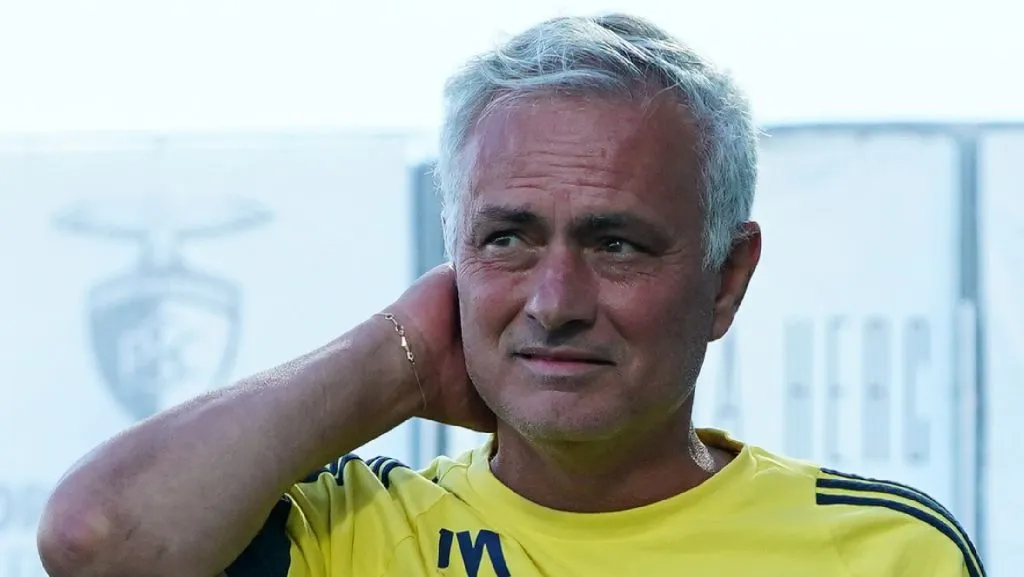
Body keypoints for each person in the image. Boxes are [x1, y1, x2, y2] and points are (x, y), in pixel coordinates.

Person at [37, 13, 983, 577]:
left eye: (616, 244)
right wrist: (398, 358)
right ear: (451, 254)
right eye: (508, 240)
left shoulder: (884, 550)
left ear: (726, 279)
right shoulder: (356, 533)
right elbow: (96, 539)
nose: (555, 299)